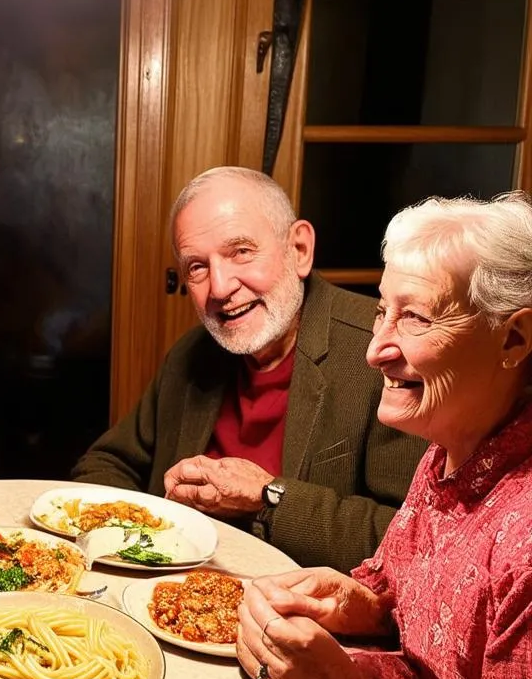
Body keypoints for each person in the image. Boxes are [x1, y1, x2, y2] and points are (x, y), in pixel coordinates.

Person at [238, 192, 532, 679]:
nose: (375, 350)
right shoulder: (454, 446)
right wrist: (360, 598)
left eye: (416, 318)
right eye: (380, 312)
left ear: (516, 338)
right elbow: (400, 585)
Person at [72, 166, 425, 569]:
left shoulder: (381, 353)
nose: (220, 288)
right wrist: (134, 542)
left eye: (241, 251)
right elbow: (107, 464)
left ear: (300, 250)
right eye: (197, 267)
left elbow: (412, 538)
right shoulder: (193, 354)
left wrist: (268, 497)